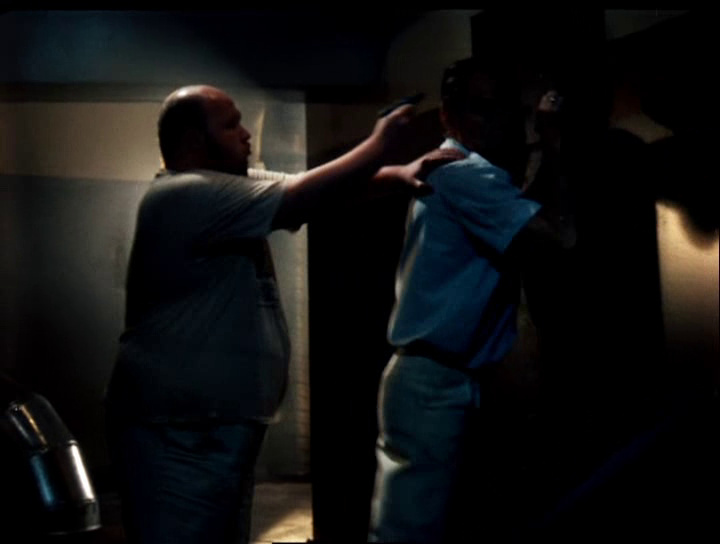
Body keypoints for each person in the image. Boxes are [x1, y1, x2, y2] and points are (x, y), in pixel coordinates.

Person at [104, 84, 462, 544]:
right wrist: (380, 144)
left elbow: (321, 192)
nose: (246, 134)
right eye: (230, 125)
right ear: (193, 140)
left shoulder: (226, 187)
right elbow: (301, 195)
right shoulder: (184, 194)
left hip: (207, 427)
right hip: (180, 433)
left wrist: (396, 175)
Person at [367, 57, 566, 543]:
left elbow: (526, 215)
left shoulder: (477, 175)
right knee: (408, 534)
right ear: (447, 116)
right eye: (479, 108)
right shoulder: (462, 173)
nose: (493, 121)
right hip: (435, 381)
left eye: (501, 109)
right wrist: (554, 142)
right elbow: (557, 238)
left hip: (447, 377)